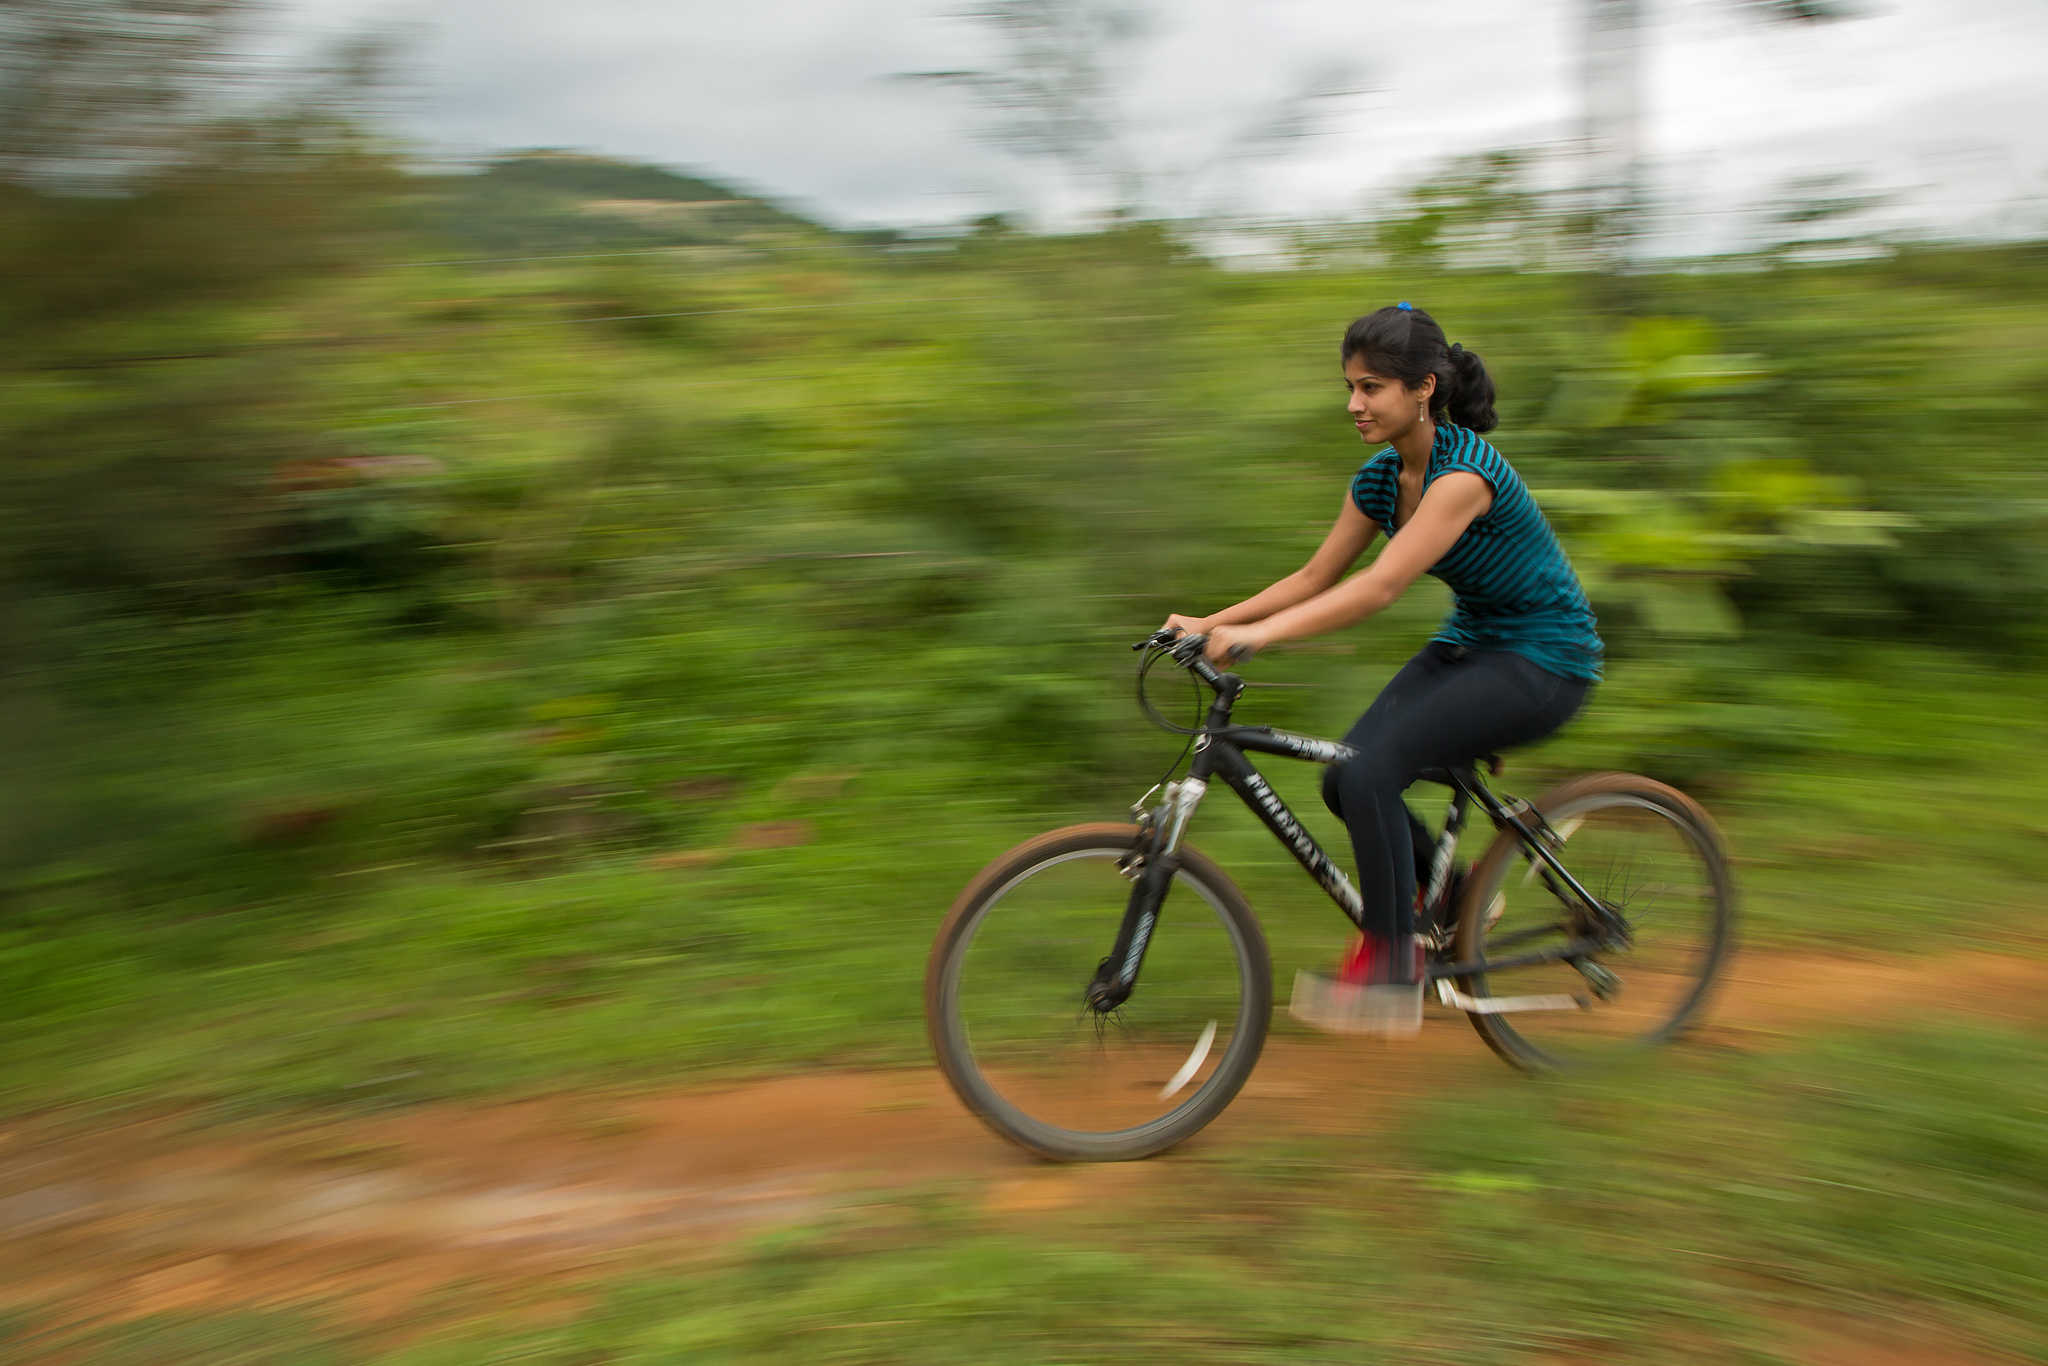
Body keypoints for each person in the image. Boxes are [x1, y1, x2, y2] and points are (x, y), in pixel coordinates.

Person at [1162, 302, 1602, 1035]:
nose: (1354, 404)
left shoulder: (1464, 475)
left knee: (1368, 769)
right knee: (1346, 775)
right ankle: (1457, 897)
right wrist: (1209, 622)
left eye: (1371, 388)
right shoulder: (1378, 480)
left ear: (1423, 388)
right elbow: (1314, 577)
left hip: (1545, 657)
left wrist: (1259, 638)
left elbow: (1378, 587)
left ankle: (1394, 964)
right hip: (1473, 644)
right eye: (1351, 386)